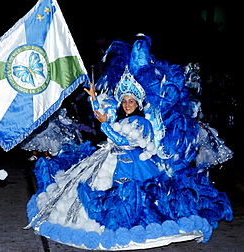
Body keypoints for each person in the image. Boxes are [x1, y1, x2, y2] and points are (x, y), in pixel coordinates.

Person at [25, 66, 232, 250]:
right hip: (108, 158)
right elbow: (103, 116)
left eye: (130, 101)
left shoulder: (142, 123)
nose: (126, 104)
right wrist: (94, 98)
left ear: (138, 103)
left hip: (133, 164)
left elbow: (124, 142)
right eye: (124, 101)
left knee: (132, 198)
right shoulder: (122, 118)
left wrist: (106, 125)